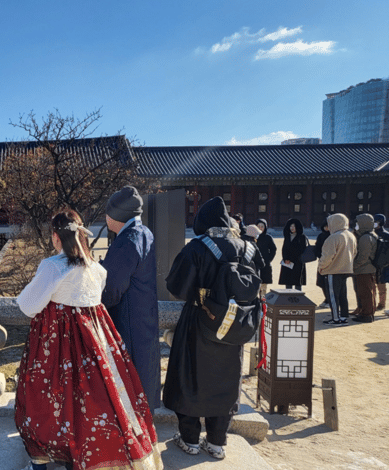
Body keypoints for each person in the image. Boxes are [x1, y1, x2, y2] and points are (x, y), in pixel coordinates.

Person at [15, 210, 162, 470]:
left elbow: (28, 305)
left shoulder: (52, 266)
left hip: (56, 345)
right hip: (96, 345)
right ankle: (86, 456)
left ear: (56, 237)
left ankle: (44, 457)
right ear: (82, 236)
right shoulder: (97, 269)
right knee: (92, 401)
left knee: (47, 397)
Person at [163, 197, 264, 460]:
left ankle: (190, 439)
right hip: (236, 324)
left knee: (190, 378)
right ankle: (218, 441)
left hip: (199, 321)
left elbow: (177, 288)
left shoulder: (197, 247)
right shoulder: (248, 247)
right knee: (227, 379)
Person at [100, 185, 160, 413]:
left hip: (128, 319)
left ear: (116, 215)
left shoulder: (127, 241)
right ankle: (143, 426)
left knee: (129, 377)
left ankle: (132, 434)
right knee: (143, 373)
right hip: (143, 315)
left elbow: (112, 287)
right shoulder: (144, 233)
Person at [319, 213, 357, 325]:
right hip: (346, 269)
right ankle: (344, 315)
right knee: (342, 294)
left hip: (333, 270)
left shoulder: (333, 237)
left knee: (333, 296)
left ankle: (336, 318)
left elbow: (327, 257)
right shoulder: (351, 236)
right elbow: (354, 253)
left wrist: (321, 267)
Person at [352, 214, 378, 323]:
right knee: (368, 292)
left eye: (358, 223)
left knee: (365, 293)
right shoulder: (371, 235)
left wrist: (354, 266)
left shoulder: (365, 238)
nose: (356, 225)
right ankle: (367, 312)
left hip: (364, 269)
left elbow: (363, 256)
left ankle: (367, 315)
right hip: (369, 268)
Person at [278, 218, 307, 290]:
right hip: (287, 262)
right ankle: (288, 297)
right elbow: (284, 249)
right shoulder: (287, 236)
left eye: (294, 226)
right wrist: (285, 258)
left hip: (298, 262)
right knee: (288, 281)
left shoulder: (302, 237)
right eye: (291, 226)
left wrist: (292, 259)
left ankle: (298, 298)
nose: (292, 228)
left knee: (298, 282)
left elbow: (302, 249)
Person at [255, 219, 277, 297]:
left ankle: (262, 303)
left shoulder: (268, 237)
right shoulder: (253, 237)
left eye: (262, 226)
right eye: (259, 226)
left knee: (263, 286)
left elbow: (273, 249)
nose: (260, 228)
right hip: (254, 264)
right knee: (254, 285)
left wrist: (269, 259)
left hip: (265, 264)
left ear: (265, 227)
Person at [314, 218, 331, 307]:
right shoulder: (321, 236)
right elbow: (317, 247)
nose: (326, 228)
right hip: (322, 260)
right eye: (325, 226)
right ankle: (326, 298)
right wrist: (319, 255)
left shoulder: (333, 236)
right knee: (321, 281)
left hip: (331, 262)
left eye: (327, 226)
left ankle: (329, 300)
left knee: (329, 282)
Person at [375, 214, 388, 311]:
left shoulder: (386, 235)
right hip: (372, 261)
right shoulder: (371, 233)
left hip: (384, 264)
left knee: (381, 284)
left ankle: (382, 303)